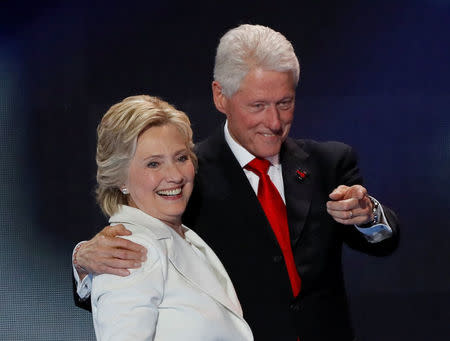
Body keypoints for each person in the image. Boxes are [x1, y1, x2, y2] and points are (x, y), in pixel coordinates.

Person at [72, 25, 399, 340]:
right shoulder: (185, 179)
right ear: (220, 96)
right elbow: (131, 275)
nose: (274, 122)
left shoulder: (329, 163)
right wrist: (83, 261)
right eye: (257, 105)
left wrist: (369, 215)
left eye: (284, 103)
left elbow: (384, 241)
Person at [85, 95, 253, 340]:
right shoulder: (130, 251)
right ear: (120, 178)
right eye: (153, 164)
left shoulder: (188, 239)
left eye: (181, 158)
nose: (174, 175)